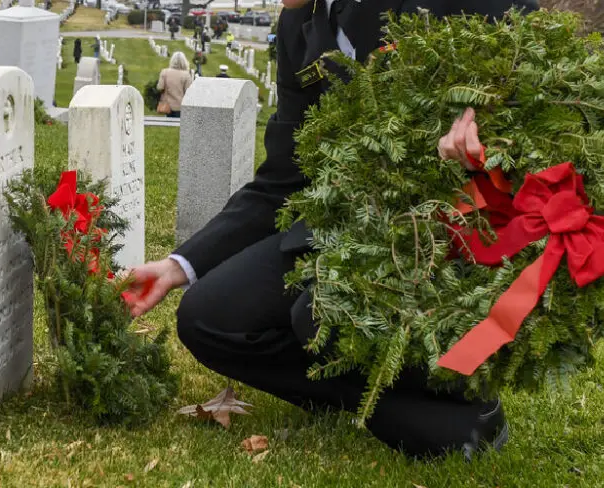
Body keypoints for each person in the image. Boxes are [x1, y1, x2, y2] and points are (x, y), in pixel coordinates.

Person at [124, 0, 539, 460]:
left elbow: (527, 58)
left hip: (453, 222)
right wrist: (180, 265)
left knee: (319, 310)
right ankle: (376, 399)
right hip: (347, 220)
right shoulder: (300, 22)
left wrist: (489, 123)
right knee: (209, 318)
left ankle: (458, 401)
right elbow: (285, 174)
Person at [157, 52, 193, 118]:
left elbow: (160, 87)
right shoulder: (186, 75)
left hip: (166, 105)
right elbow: (188, 93)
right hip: (180, 106)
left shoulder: (164, 72)